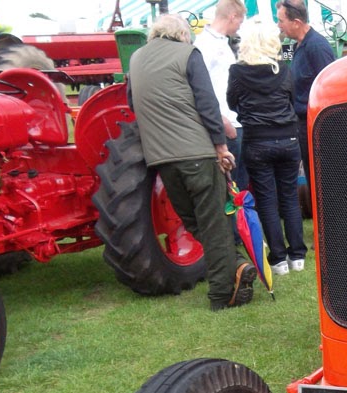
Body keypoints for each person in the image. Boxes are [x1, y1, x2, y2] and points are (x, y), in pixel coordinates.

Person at [128, 14, 257, 311]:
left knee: (193, 222)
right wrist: (221, 146)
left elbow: (134, 103)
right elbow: (207, 102)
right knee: (214, 223)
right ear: (183, 35)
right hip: (197, 154)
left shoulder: (135, 59)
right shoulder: (188, 54)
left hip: (162, 158)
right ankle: (223, 294)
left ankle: (234, 266)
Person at [228, 18, 306, 277]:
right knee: (289, 198)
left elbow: (231, 102)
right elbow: (291, 97)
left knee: (267, 201)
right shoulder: (283, 69)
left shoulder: (238, 72)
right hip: (287, 138)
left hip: (258, 139)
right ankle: (298, 255)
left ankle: (279, 258)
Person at [277, 0, 335, 232]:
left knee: (322, 179)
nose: (279, 25)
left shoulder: (316, 47)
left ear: (297, 22)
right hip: (304, 123)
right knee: (313, 178)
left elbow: (330, 86)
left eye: (281, 20)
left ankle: (330, 230)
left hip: (316, 124)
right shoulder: (301, 45)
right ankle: (324, 229)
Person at [194, 0, 248, 191]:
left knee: (238, 184)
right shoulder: (204, 45)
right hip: (225, 124)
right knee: (230, 185)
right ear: (232, 16)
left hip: (233, 121)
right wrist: (221, 119)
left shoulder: (221, 42)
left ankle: (240, 220)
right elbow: (200, 88)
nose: (239, 27)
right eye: (239, 22)